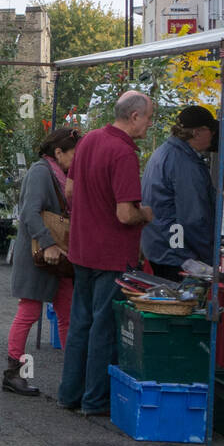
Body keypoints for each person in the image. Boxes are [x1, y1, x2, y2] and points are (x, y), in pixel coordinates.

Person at [58, 92, 155, 417]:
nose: (150, 123)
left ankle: (69, 394)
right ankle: (94, 401)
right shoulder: (124, 152)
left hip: (82, 248)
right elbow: (126, 215)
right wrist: (147, 215)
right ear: (135, 117)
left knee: (80, 323)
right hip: (112, 254)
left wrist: (88, 213)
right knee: (103, 327)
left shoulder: (88, 141)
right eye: (149, 117)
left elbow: (69, 190)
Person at [4, 127, 79, 397]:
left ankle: (73, 376)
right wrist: (48, 243)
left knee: (68, 315)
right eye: (74, 154)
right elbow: (29, 212)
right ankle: (14, 373)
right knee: (30, 312)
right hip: (38, 254)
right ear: (58, 152)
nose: (77, 160)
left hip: (57, 254)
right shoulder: (40, 172)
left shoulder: (59, 173)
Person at [141, 105, 218, 281]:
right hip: (176, 253)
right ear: (197, 132)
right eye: (211, 131)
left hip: (161, 246)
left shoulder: (166, 151)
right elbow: (194, 217)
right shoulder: (184, 163)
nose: (213, 136)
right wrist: (207, 258)